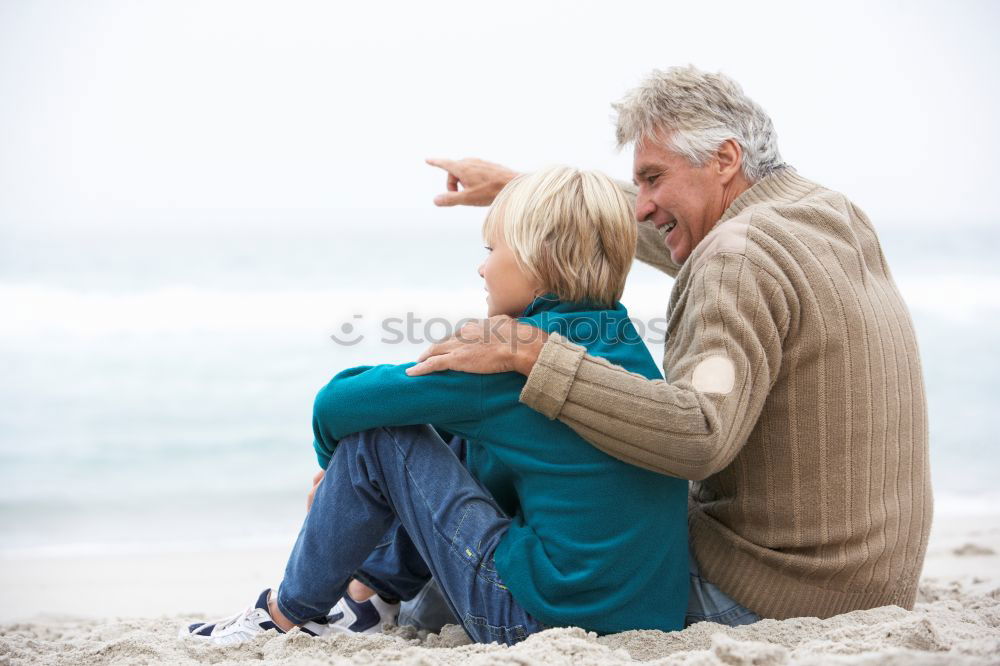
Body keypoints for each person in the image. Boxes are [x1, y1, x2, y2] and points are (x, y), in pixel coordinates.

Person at [410, 65, 933, 622]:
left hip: (769, 590)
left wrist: (530, 353)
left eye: (653, 178)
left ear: (725, 159)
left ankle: (390, 595)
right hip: (868, 584)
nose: (639, 205)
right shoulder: (825, 215)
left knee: (538, 462)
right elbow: (685, 241)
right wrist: (527, 191)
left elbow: (698, 434)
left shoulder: (735, 259)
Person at [180, 166, 690, 646]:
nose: (481, 266)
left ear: (540, 260)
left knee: (381, 435)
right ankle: (367, 596)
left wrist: (331, 469)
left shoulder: (505, 362)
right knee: (457, 431)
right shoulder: (621, 344)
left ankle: (286, 614)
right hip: (647, 619)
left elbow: (337, 402)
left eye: (492, 249)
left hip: (539, 620)